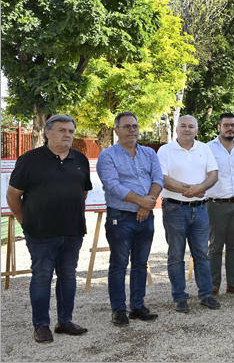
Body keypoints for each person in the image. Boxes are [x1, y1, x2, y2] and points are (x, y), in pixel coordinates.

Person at [6, 114, 92, 343]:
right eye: (63, 130)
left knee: (68, 277)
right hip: (40, 233)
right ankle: (41, 325)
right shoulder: (29, 160)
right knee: (42, 277)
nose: (68, 135)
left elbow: (83, 192)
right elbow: (13, 195)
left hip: (73, 231)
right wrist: (26, 222)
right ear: (48, 132)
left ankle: (65, 321)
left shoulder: (80, 159)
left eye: (71, 131)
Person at [97, 111, 163, 327]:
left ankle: (137, 306)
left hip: (146, 216)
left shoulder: (149, 153)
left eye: (134, 126)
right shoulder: (107, 156)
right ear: (116, 130)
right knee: (119, 265)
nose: (132, 130)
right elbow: (113, 186)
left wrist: (148, 202)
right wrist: (142, 202)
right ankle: (118, 310)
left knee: (141, 264)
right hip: (120, 217)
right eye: (127, 126)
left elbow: (158, 178)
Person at [157, 115, 220, 312]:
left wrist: (199, 188)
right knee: (176, 255)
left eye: (191, 126)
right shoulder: (165, 150)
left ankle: (206, 294)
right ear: (176, 129)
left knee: (202, 254)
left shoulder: (204, 148)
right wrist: (190, 190)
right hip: (174, 208)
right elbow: (162, 178)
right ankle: (179, 297)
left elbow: (214, 174)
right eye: (183, 126)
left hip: (200, 209)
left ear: (196, 130)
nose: (187, 129)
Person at [206, 113, 234, 297]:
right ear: (219, 127)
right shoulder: (208, 148)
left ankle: (232, 283)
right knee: (215, 246)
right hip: (216, 204)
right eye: (226, 125)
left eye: (232, 125)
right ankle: (213, 285)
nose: (230, 128)